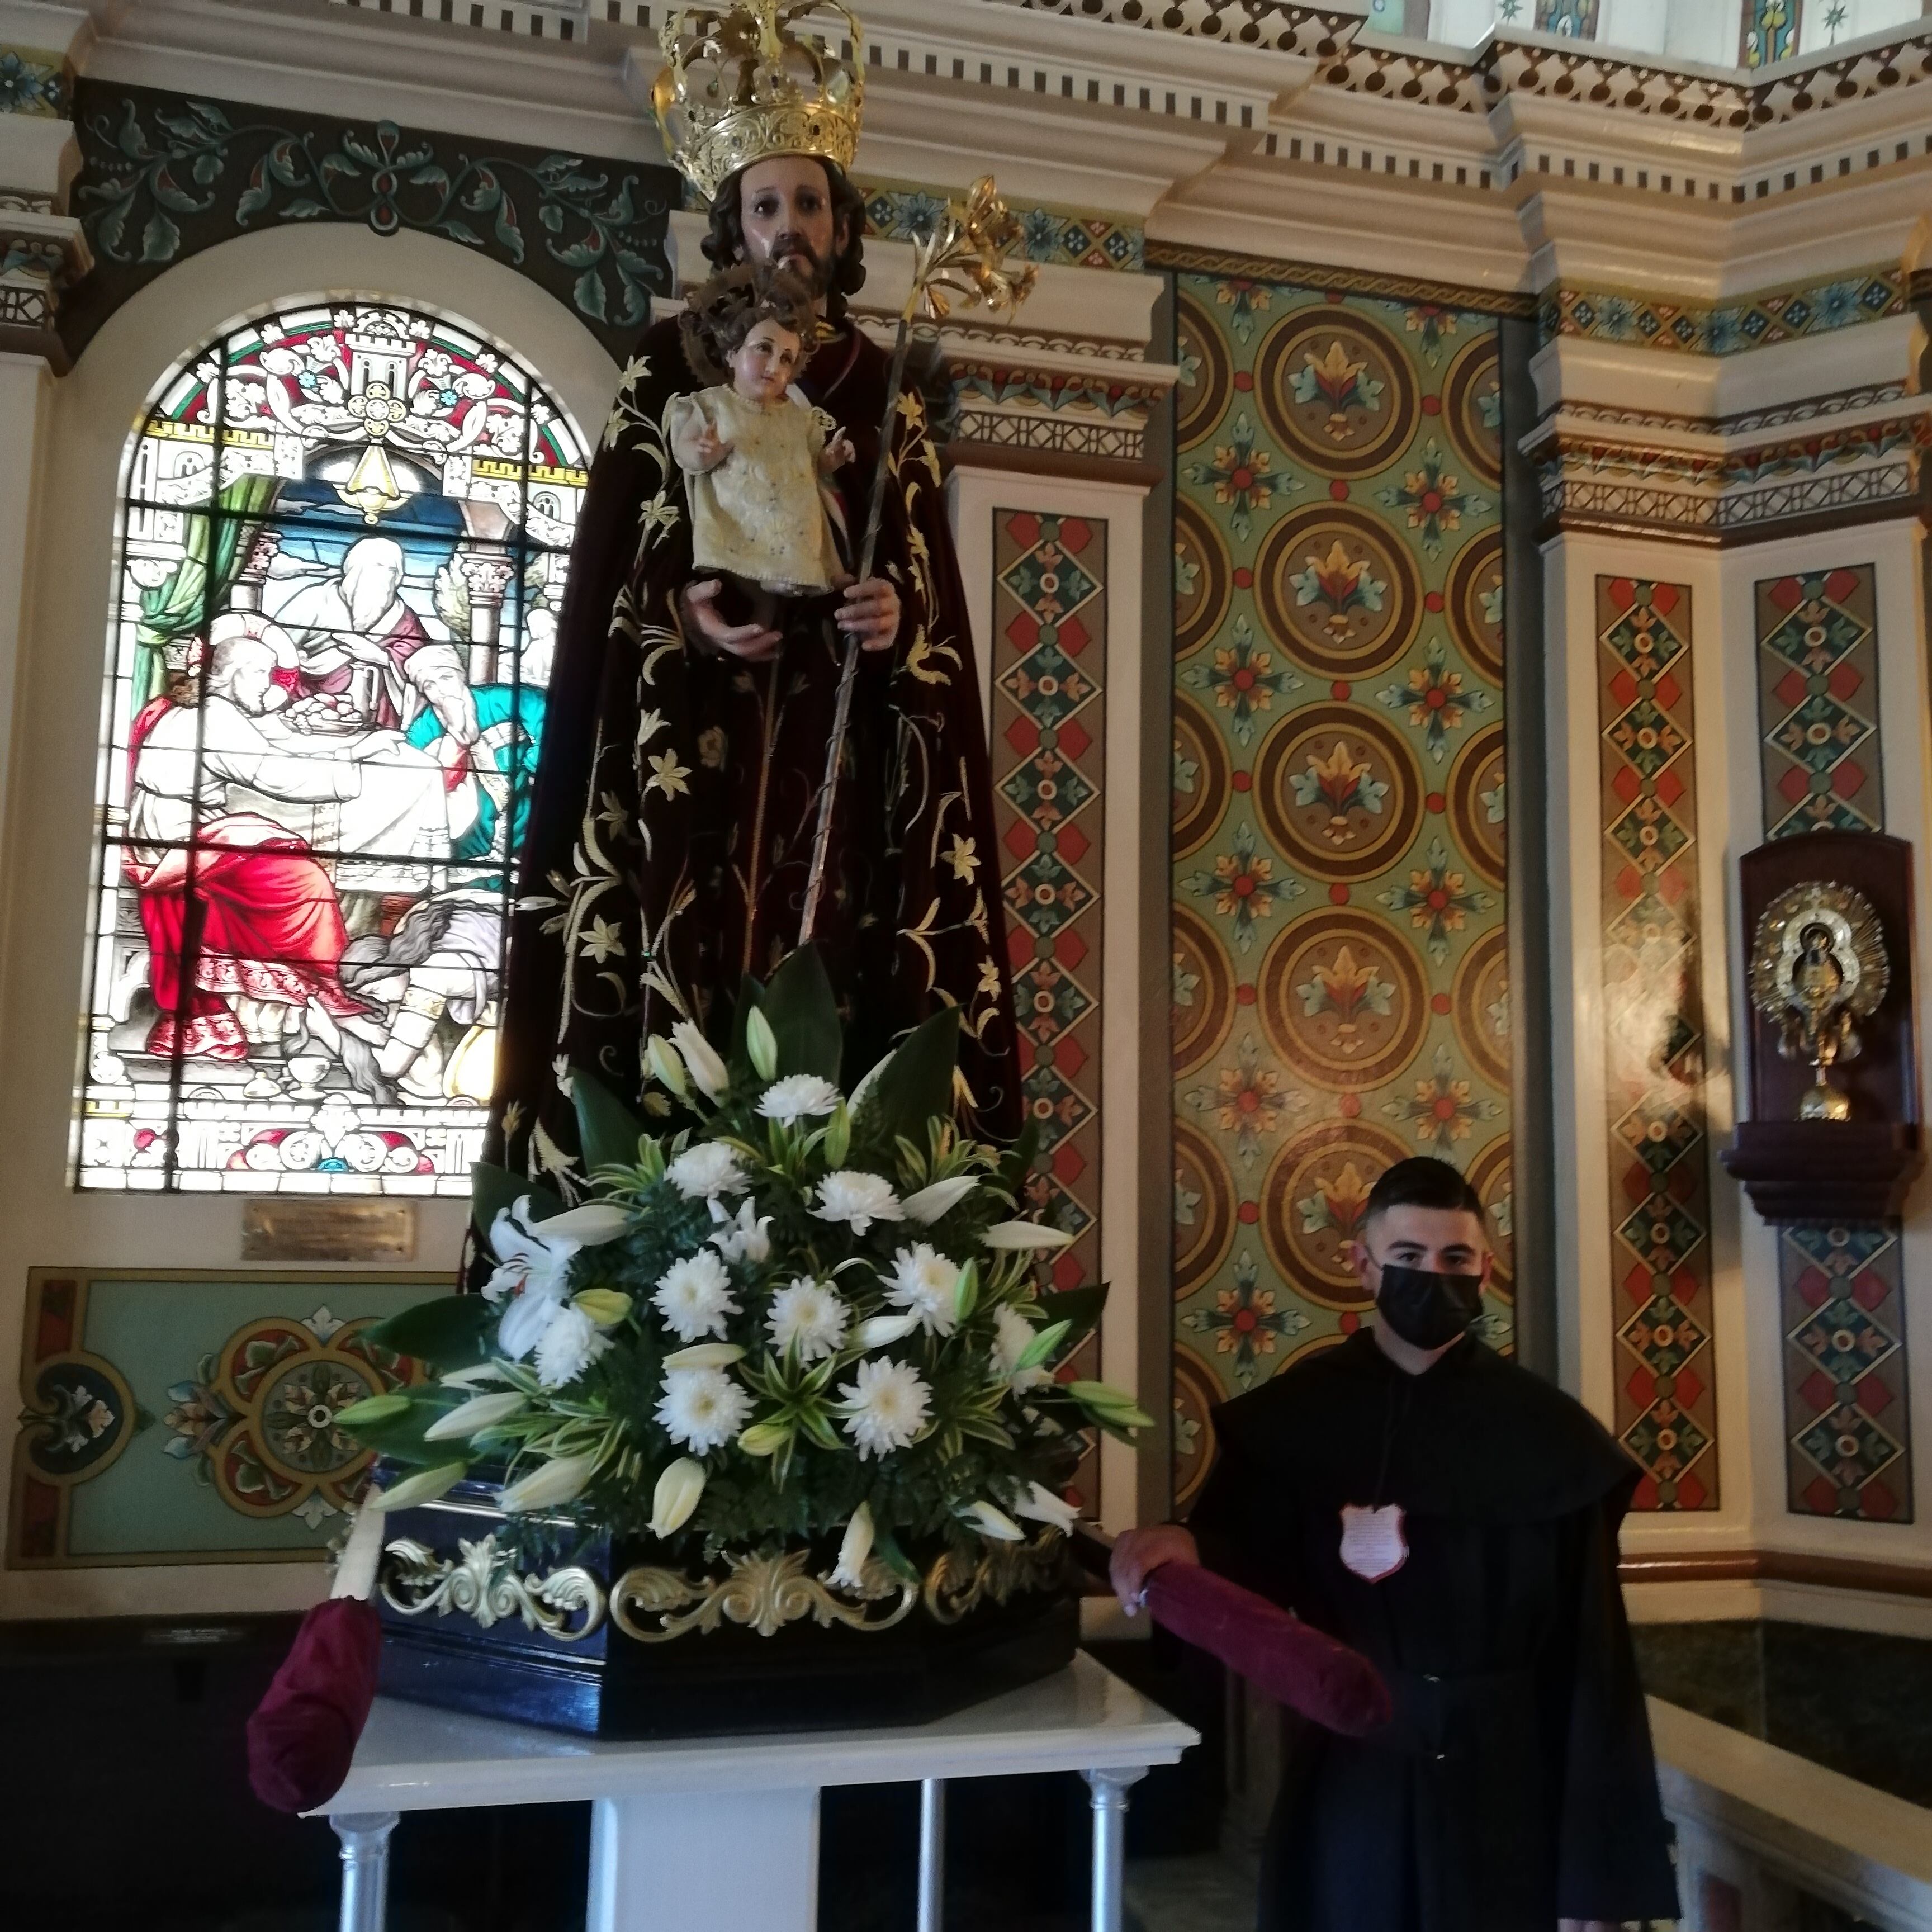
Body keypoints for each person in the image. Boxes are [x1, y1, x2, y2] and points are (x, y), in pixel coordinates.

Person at [489, 0, 1020, 1192]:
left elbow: (922, 575)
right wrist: (681, 610)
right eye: (767, 205)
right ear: (733, 224)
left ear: (843, 227)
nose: (791, 227)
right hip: (698, 745)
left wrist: (900, 618)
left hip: (846, 752)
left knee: (834, 957)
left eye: (812, 204)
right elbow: (616, 563)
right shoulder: (667, 367)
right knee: (686, 961)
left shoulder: (880, 386)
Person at [1111, 1157, 1679, 1932]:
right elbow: (1234, 1554)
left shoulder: (1547, 1436)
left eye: (1454, 1259)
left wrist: (1600, 1879)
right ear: (1363, 1264)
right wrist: (1179, 1543)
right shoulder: (1301, 1416)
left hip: (1508, 1787)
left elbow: (1596, 1660)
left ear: (1487, 1267)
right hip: (1354, 1772)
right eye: (1408, 1258)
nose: (1431, 1277)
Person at [667, 262, 856, 617]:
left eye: (787, 359)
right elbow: (684, 450)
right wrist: (701, 451)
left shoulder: (798, 418)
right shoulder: (709, 405)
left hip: (793, 514)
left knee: (801, 519)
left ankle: (807, 575)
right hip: (739, 512)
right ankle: (763, 580)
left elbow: (818, 466)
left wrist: (831, 458)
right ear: (731, 353)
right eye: (763, 349)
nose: (775, 367)